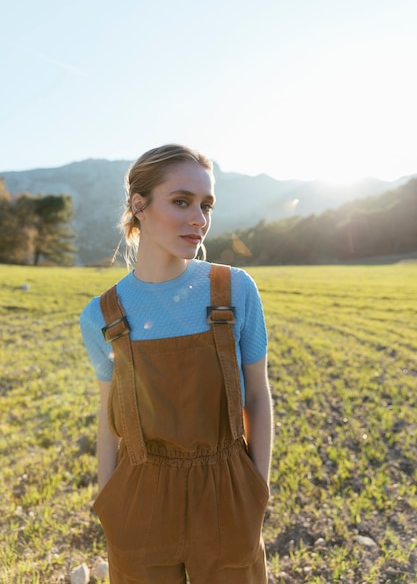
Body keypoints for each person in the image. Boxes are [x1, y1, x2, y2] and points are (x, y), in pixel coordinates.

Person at [80, 144, 273, 584]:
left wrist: (255, 492)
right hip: (139, 498)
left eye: (206, 205)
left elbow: (258, 396)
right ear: (138, 206)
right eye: (181, 201)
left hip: (226, 494)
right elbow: (110, 417)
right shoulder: (101, 315)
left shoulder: (235, 290)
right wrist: (110, 501)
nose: (199, 219)